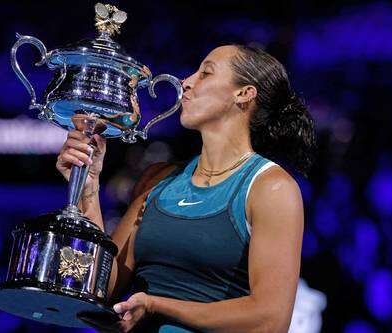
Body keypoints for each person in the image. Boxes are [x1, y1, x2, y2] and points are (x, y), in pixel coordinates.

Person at [56, 43, 316, 333]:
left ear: (244, 94)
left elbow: (271, 320)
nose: (186, 82)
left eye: (205, 73)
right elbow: (101, 286)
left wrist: (158, 305)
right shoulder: (157, 179)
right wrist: (88, 188)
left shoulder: (271, 188)